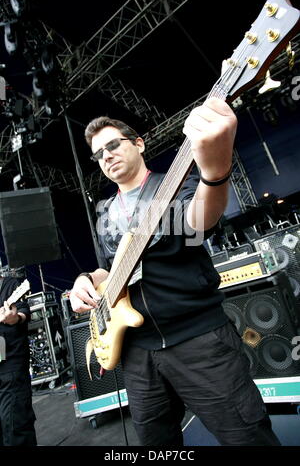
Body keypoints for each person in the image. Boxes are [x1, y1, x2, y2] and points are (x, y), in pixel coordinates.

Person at [70, 97, 280, 446]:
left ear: (138, 143)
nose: (106, 156)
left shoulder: (174, 185)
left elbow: (199, 220)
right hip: (138, 353)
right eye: (98, 154)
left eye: (113, 145)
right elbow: (108, 271)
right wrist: (84, 281)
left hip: (197, 341)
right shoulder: (105, 213)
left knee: (247, 437)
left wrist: (214, 174)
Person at [0, 273, 37, 446]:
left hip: (12, 368)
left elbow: (23, 312)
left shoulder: (11, 285)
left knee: (16, 425)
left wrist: (15, 317)